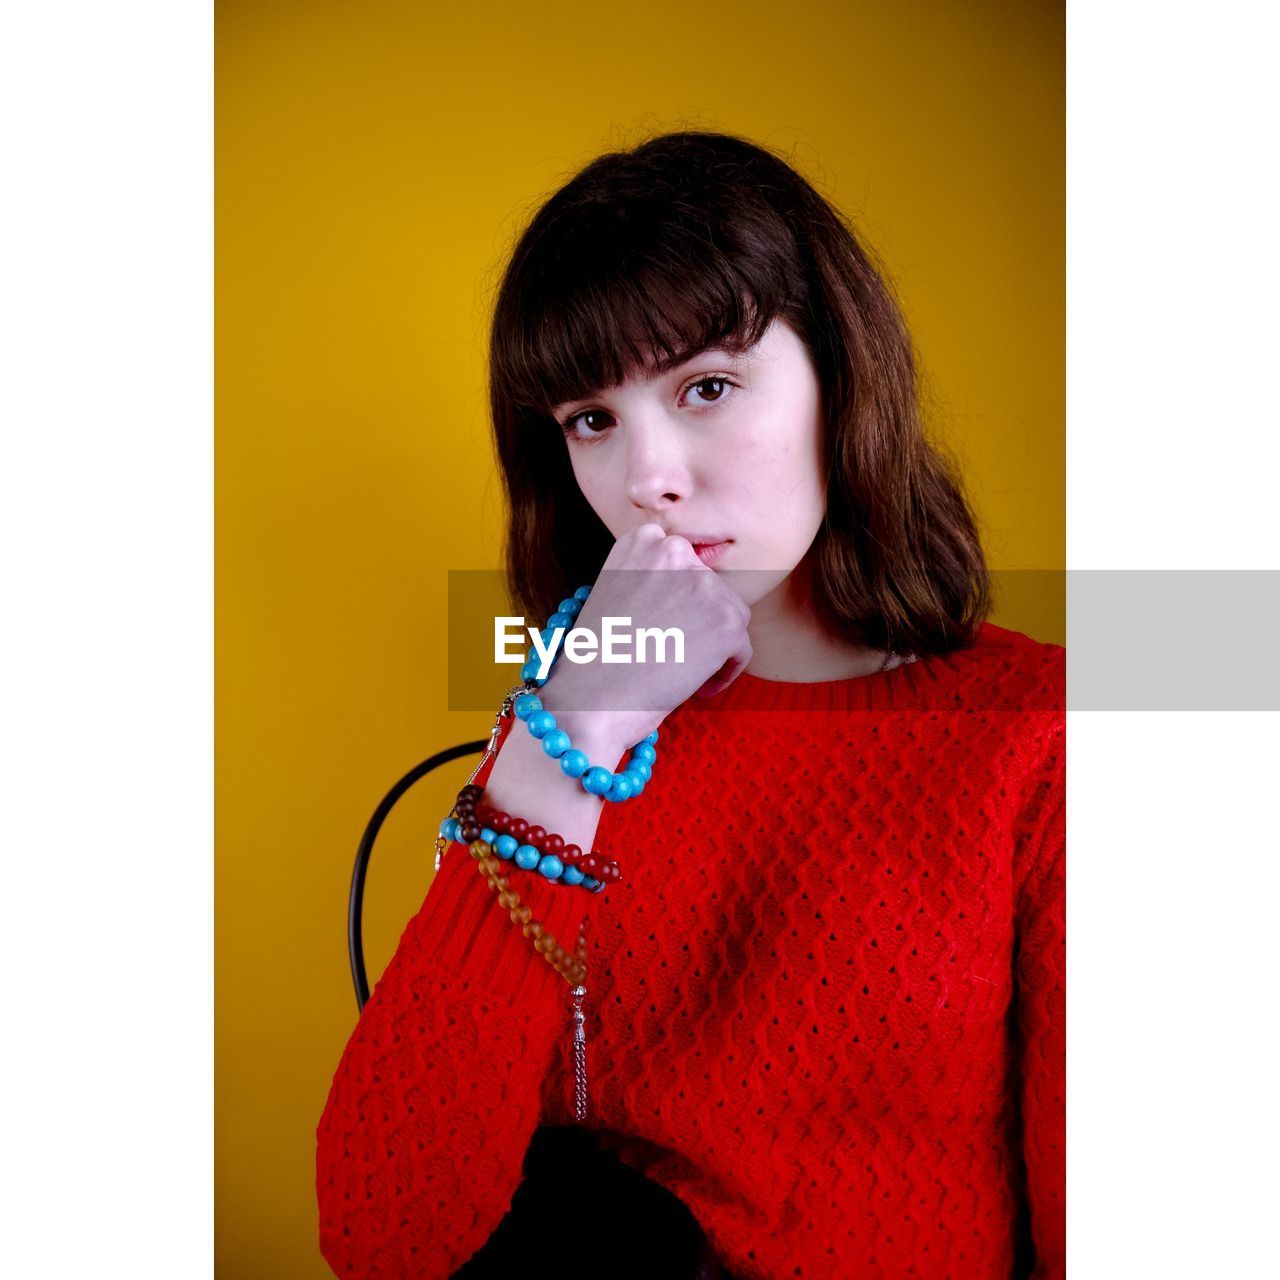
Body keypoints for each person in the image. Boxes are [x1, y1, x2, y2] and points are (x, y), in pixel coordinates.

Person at [315, 130, 1065, 1279]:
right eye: (590, 419)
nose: (645, 476)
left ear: (840, 377)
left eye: (705, 386)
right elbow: (382, 1236)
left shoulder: (1034, 727)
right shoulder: (558, 724)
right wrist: (562, 747)